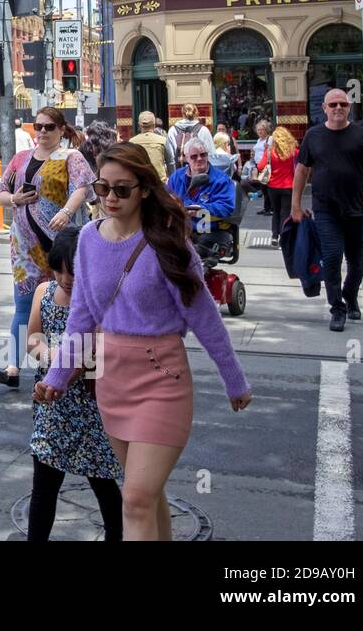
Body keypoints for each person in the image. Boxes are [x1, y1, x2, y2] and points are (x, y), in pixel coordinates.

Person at [36, 143, 251, 540]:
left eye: (122, 189)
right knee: (147, 498)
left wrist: (233, 380)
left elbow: (204, 317)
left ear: (146, 189)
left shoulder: (168, 244)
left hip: (161, 380)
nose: (110, 198)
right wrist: (57, 376)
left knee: (134, 499)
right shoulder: (87, 238)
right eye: (102, 188)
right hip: (112, 380)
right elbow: (82, 316)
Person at [25, 227, 123, 542]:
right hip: (52, 406)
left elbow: (97, 354)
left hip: (91, 407)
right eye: (59, 270)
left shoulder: (100, 300)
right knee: (43, 487)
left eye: (74, 271)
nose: (66, 278)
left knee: (104, 483)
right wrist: (49, 355)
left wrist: (63, 369)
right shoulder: (44, 292)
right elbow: (32, 339)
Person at [0, 106, 93, 389]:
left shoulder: (71, 157)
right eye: (38, 127)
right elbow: (0, 193)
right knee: (24, 304)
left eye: (50, 127)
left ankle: (73, 365)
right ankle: (13, 367)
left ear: (62, 130)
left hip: (60, 245)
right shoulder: (21, 158)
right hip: (24, 246)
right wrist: (14, 199)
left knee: (70, 301)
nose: (43, 132)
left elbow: (81, 188)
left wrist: (66, 211)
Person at [290, 88, 363, 332]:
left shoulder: (362, 135)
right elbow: (302, 171)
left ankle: (350, 295)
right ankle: (337, 308)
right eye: (333, 105)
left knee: (357, 261)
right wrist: (295, 205)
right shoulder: (313, 136)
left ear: (349, 107)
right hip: (326, 211)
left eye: (342, 104)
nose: (338, 108)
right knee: (331, 258)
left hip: (357, 210)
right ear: (324, 109)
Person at [167, 139, 236, 264]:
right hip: (181, 230)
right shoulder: (176, 177)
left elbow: (227, 207)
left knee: (188, 255)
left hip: (210, 231)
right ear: (186, 158)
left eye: (203, 155)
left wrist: (200, 208)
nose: (199, 159)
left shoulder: (221, 180)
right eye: (194, 156)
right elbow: (165, 200)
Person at [258, 126, 297, 247]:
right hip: (288, 186)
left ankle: (274, 236)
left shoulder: (269, 152)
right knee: (285, 212)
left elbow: (260, 166)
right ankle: (283, 237)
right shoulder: (294, 152)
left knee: (276, 211)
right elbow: (299, 169)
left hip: (273, 186)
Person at [165, 103, 212, 169]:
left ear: (182, 113)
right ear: (196, 113)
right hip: (200, 173)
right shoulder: (203, 130)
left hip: (179, 172)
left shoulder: (172, 130)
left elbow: (170, 157)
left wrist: (174, 175)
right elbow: (211, 155)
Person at [130, 110, 172, 183]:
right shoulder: (163, 140)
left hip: (140, 183)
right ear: (154, 124)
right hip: (159, 182)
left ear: (139, 125)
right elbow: (171, 162)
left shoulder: (132, 142)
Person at [247, 119, 273, 215]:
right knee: (264, 188)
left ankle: (271, 209)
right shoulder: (259, 140)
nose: (260, 131)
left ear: (266, 130)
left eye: (262, 129)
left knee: (267, 188)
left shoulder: (269, 139)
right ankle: (266, 208)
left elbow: (270, 151)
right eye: (258, 130)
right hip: (259, 166)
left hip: (266, 166)